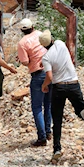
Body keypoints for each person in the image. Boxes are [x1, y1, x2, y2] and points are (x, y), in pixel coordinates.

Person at [40, 30, 84, 164]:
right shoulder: (60, 44)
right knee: (79, 107)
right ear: (51, 39)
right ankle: (83, 114)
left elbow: (50, 76)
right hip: (74, 83)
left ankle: (57, 149)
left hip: (59, 87)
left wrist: (44, 86)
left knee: (57, 119)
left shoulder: (46, 57)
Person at [16, 18, 52, 147]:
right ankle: (48, 132)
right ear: (33, 26)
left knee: (37, 107)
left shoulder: (22, 43)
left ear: (21, 30)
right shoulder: (40, 35)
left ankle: (42, 138)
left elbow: (25, 62)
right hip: (50, 72)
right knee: (48, 104)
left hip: (37, 74)